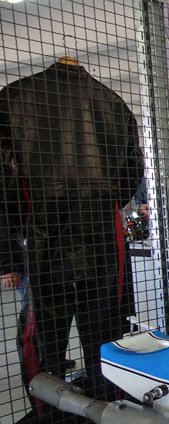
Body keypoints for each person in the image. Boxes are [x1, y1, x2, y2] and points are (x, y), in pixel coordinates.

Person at [0, 57, 143, 399]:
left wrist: (21, 227)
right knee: (105, 328)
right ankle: (110, 413)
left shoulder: (13, 98)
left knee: (43, 334)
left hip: (44, 229)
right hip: (100, 230)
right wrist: (103, 203)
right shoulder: (113, 103)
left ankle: (51, 418)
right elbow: (131, 173)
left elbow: (3, 180)